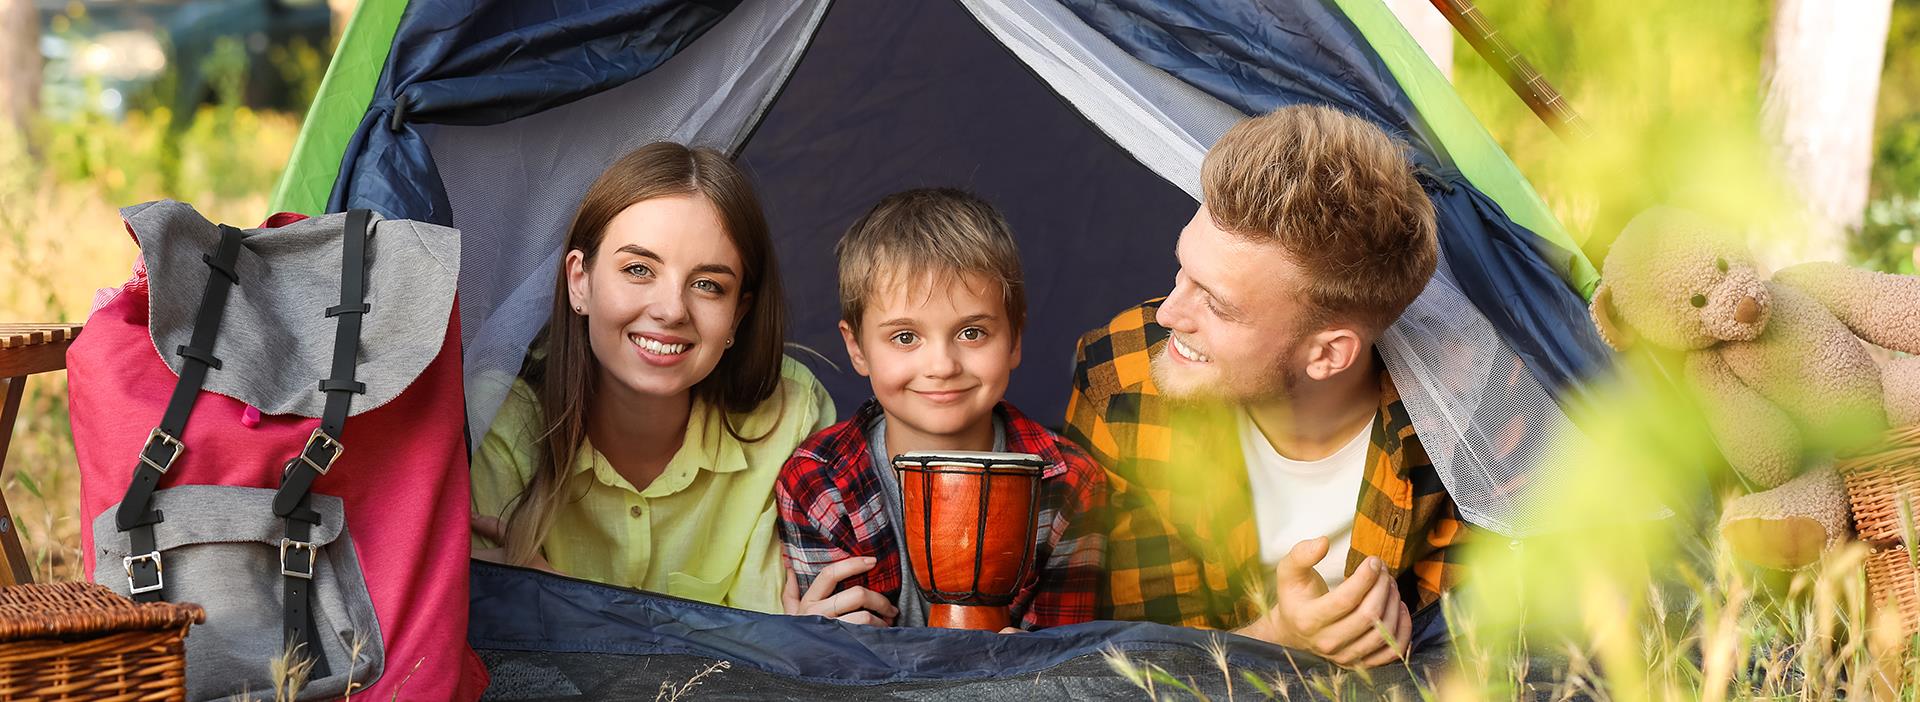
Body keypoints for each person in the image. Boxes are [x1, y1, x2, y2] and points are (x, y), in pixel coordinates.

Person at [1064, 105, 1466, 668]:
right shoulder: (1125, 373)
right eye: (1183, 272)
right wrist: (1279, 638)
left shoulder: (1471, 429)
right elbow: (1138, 656)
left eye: (1217, 304)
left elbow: (1473, 662)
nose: (1169, 314)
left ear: (1327, 353)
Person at [470, 142, 835, 613]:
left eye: (708, 285)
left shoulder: (792, 416)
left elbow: (780, 650)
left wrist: (564, 609)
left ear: (738, 314)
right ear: (580, 281)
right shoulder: (495, 419)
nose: (670, 310)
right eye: (638, 269)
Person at [776, 188, 1107, 630]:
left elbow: (1063, 664)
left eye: (971, 333)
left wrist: (1033, 665)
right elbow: (839, 665)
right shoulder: (818, 482)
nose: (942, 366)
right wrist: (817, 639)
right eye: (905, 338)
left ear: (1015, 338)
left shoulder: (1068, 483)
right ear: (857, 349)